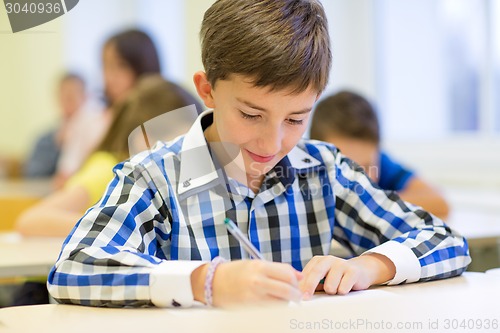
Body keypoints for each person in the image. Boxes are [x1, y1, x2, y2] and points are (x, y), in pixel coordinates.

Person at [47, 0, 470, 309]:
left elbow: (446, 241)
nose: (271, 145)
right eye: (251, 114)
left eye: (295, 119)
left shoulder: (324, 171)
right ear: (207, 89)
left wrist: (370, 266)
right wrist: (204, 281)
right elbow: (74, 268)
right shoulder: (153, 178)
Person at [16, 75, 202, 238]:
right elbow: (30, 220)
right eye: (180, 145)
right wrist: (116, 226)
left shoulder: (165, 177)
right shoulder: (107, 169)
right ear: (144, 139)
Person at [309, 90, 450, 220]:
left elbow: (439, 202)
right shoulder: (304, 172)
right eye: (344, 167)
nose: (359, 178)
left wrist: (374, 201)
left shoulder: (383, 165)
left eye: (367, 166)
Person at [53, 29, 162, 187]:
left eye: (121, 66)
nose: (110, 77)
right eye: (105, 66)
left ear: (143, 66)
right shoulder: (92, 121)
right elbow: (63, 179)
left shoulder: (163, 119)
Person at [23, 73, 87, 178]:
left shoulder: (93, 137)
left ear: (85, 98)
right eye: (63, 97)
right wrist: (58, 147)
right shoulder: (45, 140)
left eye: (71, 97)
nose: (67, 103)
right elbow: (32, 175)